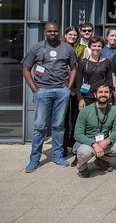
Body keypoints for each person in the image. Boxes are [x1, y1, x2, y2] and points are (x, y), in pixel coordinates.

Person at [23, 22, 77, 173]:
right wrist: (35, 90)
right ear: (44, 32)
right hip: (43, 91)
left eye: (55, 31)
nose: (53, 33)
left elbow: (73, 68)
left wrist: (67, 88)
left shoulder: (67, 48)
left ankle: (58, 155)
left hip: (61, 91)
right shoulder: (36, 47)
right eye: (50, 31)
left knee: (59, 125)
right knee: (39, 126)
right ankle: (34, 159)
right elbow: (26, 69)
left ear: (59, 32)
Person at [74, 84, 116, 177]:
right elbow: (78, 134)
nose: (103, 94)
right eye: (100, 92)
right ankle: (82, 167)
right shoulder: (85, 111)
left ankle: (102, 161)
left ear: (110, 95)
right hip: (88, 143)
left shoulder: (115, 110)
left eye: (106, 92)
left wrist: (107, 141)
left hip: (105, 141)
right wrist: (94, 144)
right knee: (85, 152)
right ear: (95, 95)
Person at [62, 26, 85, 156]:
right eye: (70, 34)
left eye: (75, 35)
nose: (72, 36)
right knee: (63, 119)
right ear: (65, 35)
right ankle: (63, 146)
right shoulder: (59, 48)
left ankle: (74, 144)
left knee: (77, 118)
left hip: (77, 88)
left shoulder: (82, 49)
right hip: (62, 86)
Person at [76, 36, 112, 109]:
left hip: (102, 95)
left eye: (99, 46)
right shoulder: (83, 62)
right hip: (87, 95)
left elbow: (109, 81)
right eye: (94, 46)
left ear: (102, 48)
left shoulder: (107, 62)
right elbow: (78, 81)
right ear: (90, 46)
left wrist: (110, 99)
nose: (96, 48)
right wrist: (80, 99)